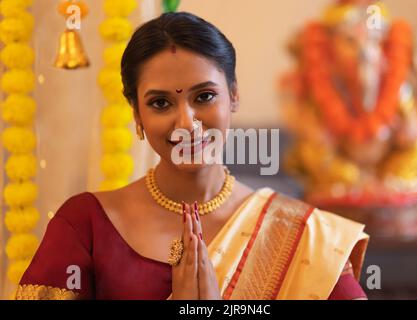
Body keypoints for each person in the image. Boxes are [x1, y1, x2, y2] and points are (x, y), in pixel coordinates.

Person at [15, 12, 369, 300]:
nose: (186, 122)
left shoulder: (303, 235)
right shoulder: (85, 226)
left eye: (204, 97)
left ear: (233, 96)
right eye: (160, 103)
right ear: (137, 116)